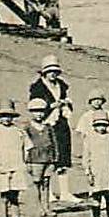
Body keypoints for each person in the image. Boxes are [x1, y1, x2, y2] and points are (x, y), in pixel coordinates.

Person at [28, 61, 75, 208]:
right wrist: (51, 106)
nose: (53, 74)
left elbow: (67, 102)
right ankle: (48, 194)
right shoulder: (37, 87)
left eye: (55, 71)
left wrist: (66, 103)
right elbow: (35, 107)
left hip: (61, 123)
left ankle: (65, 191)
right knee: (47, 157)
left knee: (63, 156)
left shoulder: (61, 85)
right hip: (46, 124)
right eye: (50, 71)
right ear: (44, 73)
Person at [22, 98, 59, 213]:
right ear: (31, 112)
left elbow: (54, 144)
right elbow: (25, 146)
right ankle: (38, 207)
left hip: (48, 159)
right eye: (35, 111)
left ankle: (46, 207)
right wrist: (26, 162)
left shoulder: (48, 127)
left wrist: (55, 160)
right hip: (35, 159)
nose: (39, 114)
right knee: (36, 182)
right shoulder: (27, 128)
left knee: (46, 183)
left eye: (41, 111)